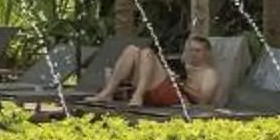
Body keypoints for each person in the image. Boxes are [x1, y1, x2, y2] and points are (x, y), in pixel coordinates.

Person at [83, 35, 215, 109]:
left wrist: (180, 82)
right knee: (132, 50)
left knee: (147, 53)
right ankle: (107, 93)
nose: (193, 54)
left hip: (177, 98)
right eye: (191, 50)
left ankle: (138, 95)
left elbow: (203, 99)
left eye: (198, 51)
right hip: (153, 90)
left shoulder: (209, 73)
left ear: (207, 53)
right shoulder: (183, 64)